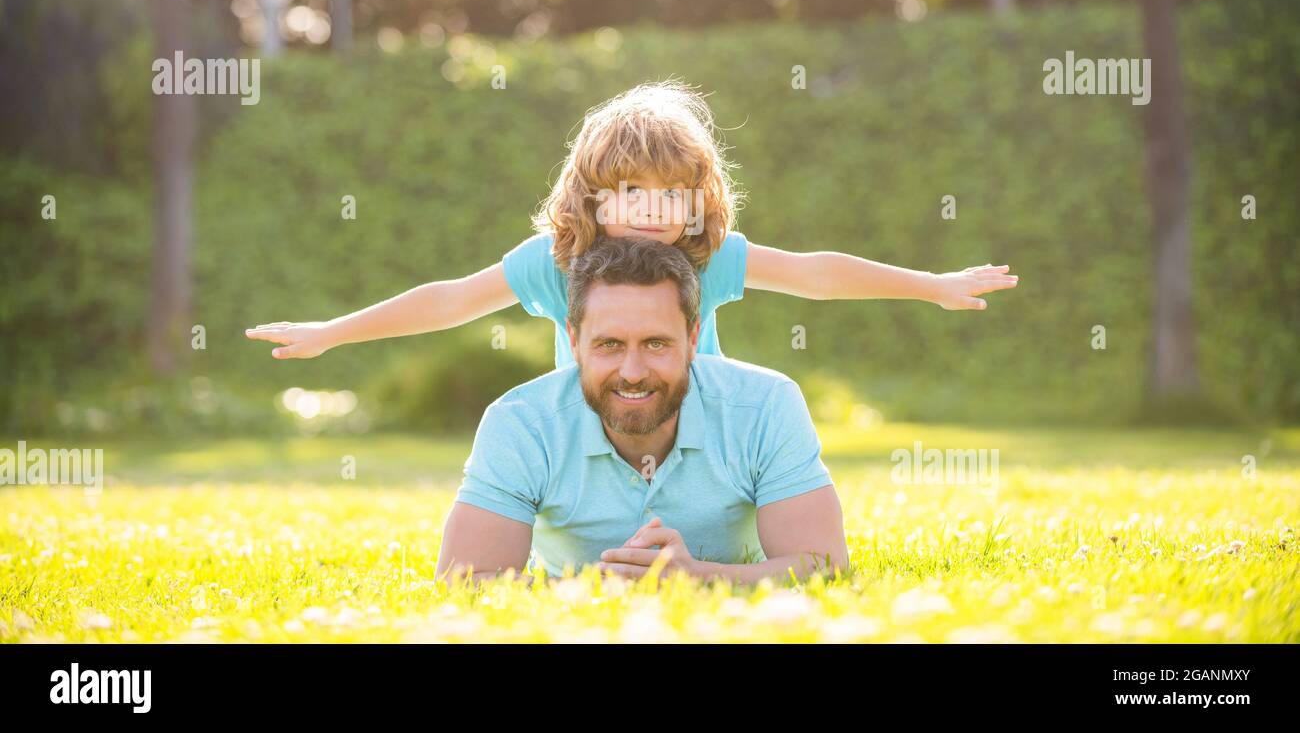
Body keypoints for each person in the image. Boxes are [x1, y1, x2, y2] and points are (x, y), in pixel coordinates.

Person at [246, 80, 1017, 367]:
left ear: (697, 202)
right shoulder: (552, 263)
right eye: (629, 189)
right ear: (592, 199)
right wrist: (330, 331)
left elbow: (815, 271)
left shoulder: (709, 257)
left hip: (694, 432)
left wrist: (932, 285)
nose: (651, 209)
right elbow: (450, 299)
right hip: (593, 432)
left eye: (670, 192)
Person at [435, 235, 849, 583]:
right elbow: (464, 577)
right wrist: (590, 590)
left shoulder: (766, 405)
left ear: (692, 337)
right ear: (574, 341)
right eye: (609, 344)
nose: (632, 373)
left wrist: (698, 577)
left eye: (656, 343)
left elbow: (822, 564)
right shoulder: (520, 423)